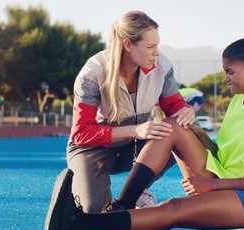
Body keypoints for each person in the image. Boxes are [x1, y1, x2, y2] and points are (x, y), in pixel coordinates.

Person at [45, 37, 244, 230]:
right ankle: (122, 205)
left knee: (173, 208)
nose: (226, 78)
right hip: (222, 177)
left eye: (230, 72)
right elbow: (225, 153)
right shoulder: (239, 101)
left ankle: (75, 223)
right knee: (171, 125)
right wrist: (192, 134)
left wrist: (212, 186)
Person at [63, 10, 195, 213]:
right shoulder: (92, 74)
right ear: (127, 44)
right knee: (96, 211)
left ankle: (137, 190)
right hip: (93, 149)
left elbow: (173, 105)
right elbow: (81, 134)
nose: (156, 52)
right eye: (151, 46)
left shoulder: (162, 66)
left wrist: (185, 111)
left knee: (184, 132)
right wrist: (134, 130)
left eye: (157, 45)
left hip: (135, 145)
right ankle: (82, 183)